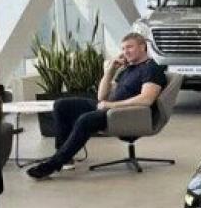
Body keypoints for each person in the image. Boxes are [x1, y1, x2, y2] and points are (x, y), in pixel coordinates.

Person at [27, 33, 166, 180]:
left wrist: (111, 105)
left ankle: (53, 164)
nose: (126, 52)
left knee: (86, 119)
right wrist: (111, 71)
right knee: (62, 105)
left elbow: (146, 99)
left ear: (143, 47)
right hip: (111, 108)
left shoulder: (151, 69)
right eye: (123, 48)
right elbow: (101, 96)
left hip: (128, 114)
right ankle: (64, 157)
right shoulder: (127, 70)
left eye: (130, 47)